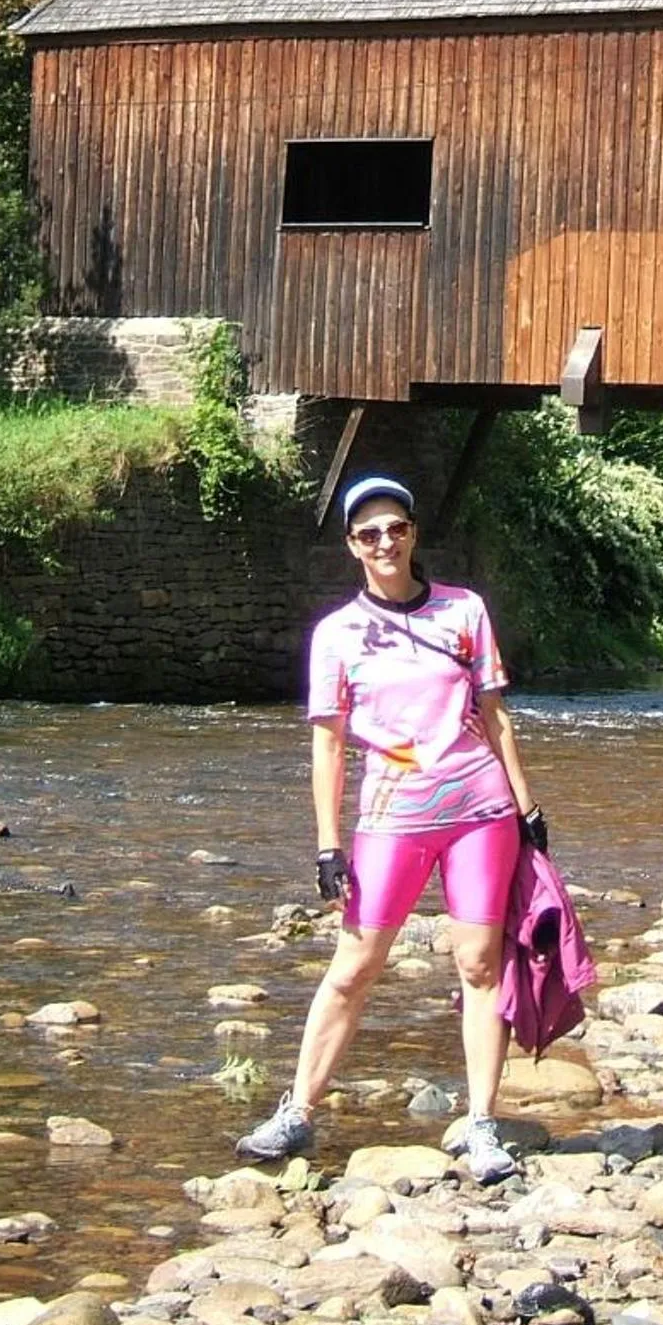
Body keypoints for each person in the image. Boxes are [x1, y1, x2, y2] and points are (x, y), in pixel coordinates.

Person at [234, 474, 547, 1183]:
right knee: (354, 967)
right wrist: (327, 843)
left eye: (395, 528)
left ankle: (484, 1124)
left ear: (413, 534)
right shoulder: (335, 635)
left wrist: (528, 809)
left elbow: (495, 716)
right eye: (368, 532)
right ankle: (297, 1112)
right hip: (389, 818)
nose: (384, 541)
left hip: (479, 810)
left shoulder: (464, 611)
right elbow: (328, 743)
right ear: (351, 545)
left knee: (478, 965)